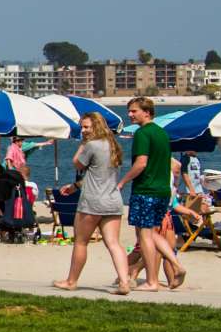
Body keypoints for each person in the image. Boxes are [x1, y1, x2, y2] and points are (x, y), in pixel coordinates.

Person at [57, 111, 133, 293]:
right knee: (114, 243)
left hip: (92, 201)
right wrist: (75, 186)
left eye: (86, 127)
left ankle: (71, 281)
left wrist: (82, 144)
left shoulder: (92, 145)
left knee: (81, 242)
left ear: (96, 127)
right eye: (82, 127)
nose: (83, 130)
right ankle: (124, 281)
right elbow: (99, 175)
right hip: (113, 200)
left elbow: (77, 163)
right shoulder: (113, 145)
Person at [124, 96, 183, 290]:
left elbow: (141, 163)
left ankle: (151, 281)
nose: (130, 114)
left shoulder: (142, 133)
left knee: (144, 235)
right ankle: (176, 265)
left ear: (147, 112)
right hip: (163, 191)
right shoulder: (162, 134)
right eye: (129, 111)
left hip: (145, 189)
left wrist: (122, 182)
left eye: (134, 111)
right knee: (153, 232)